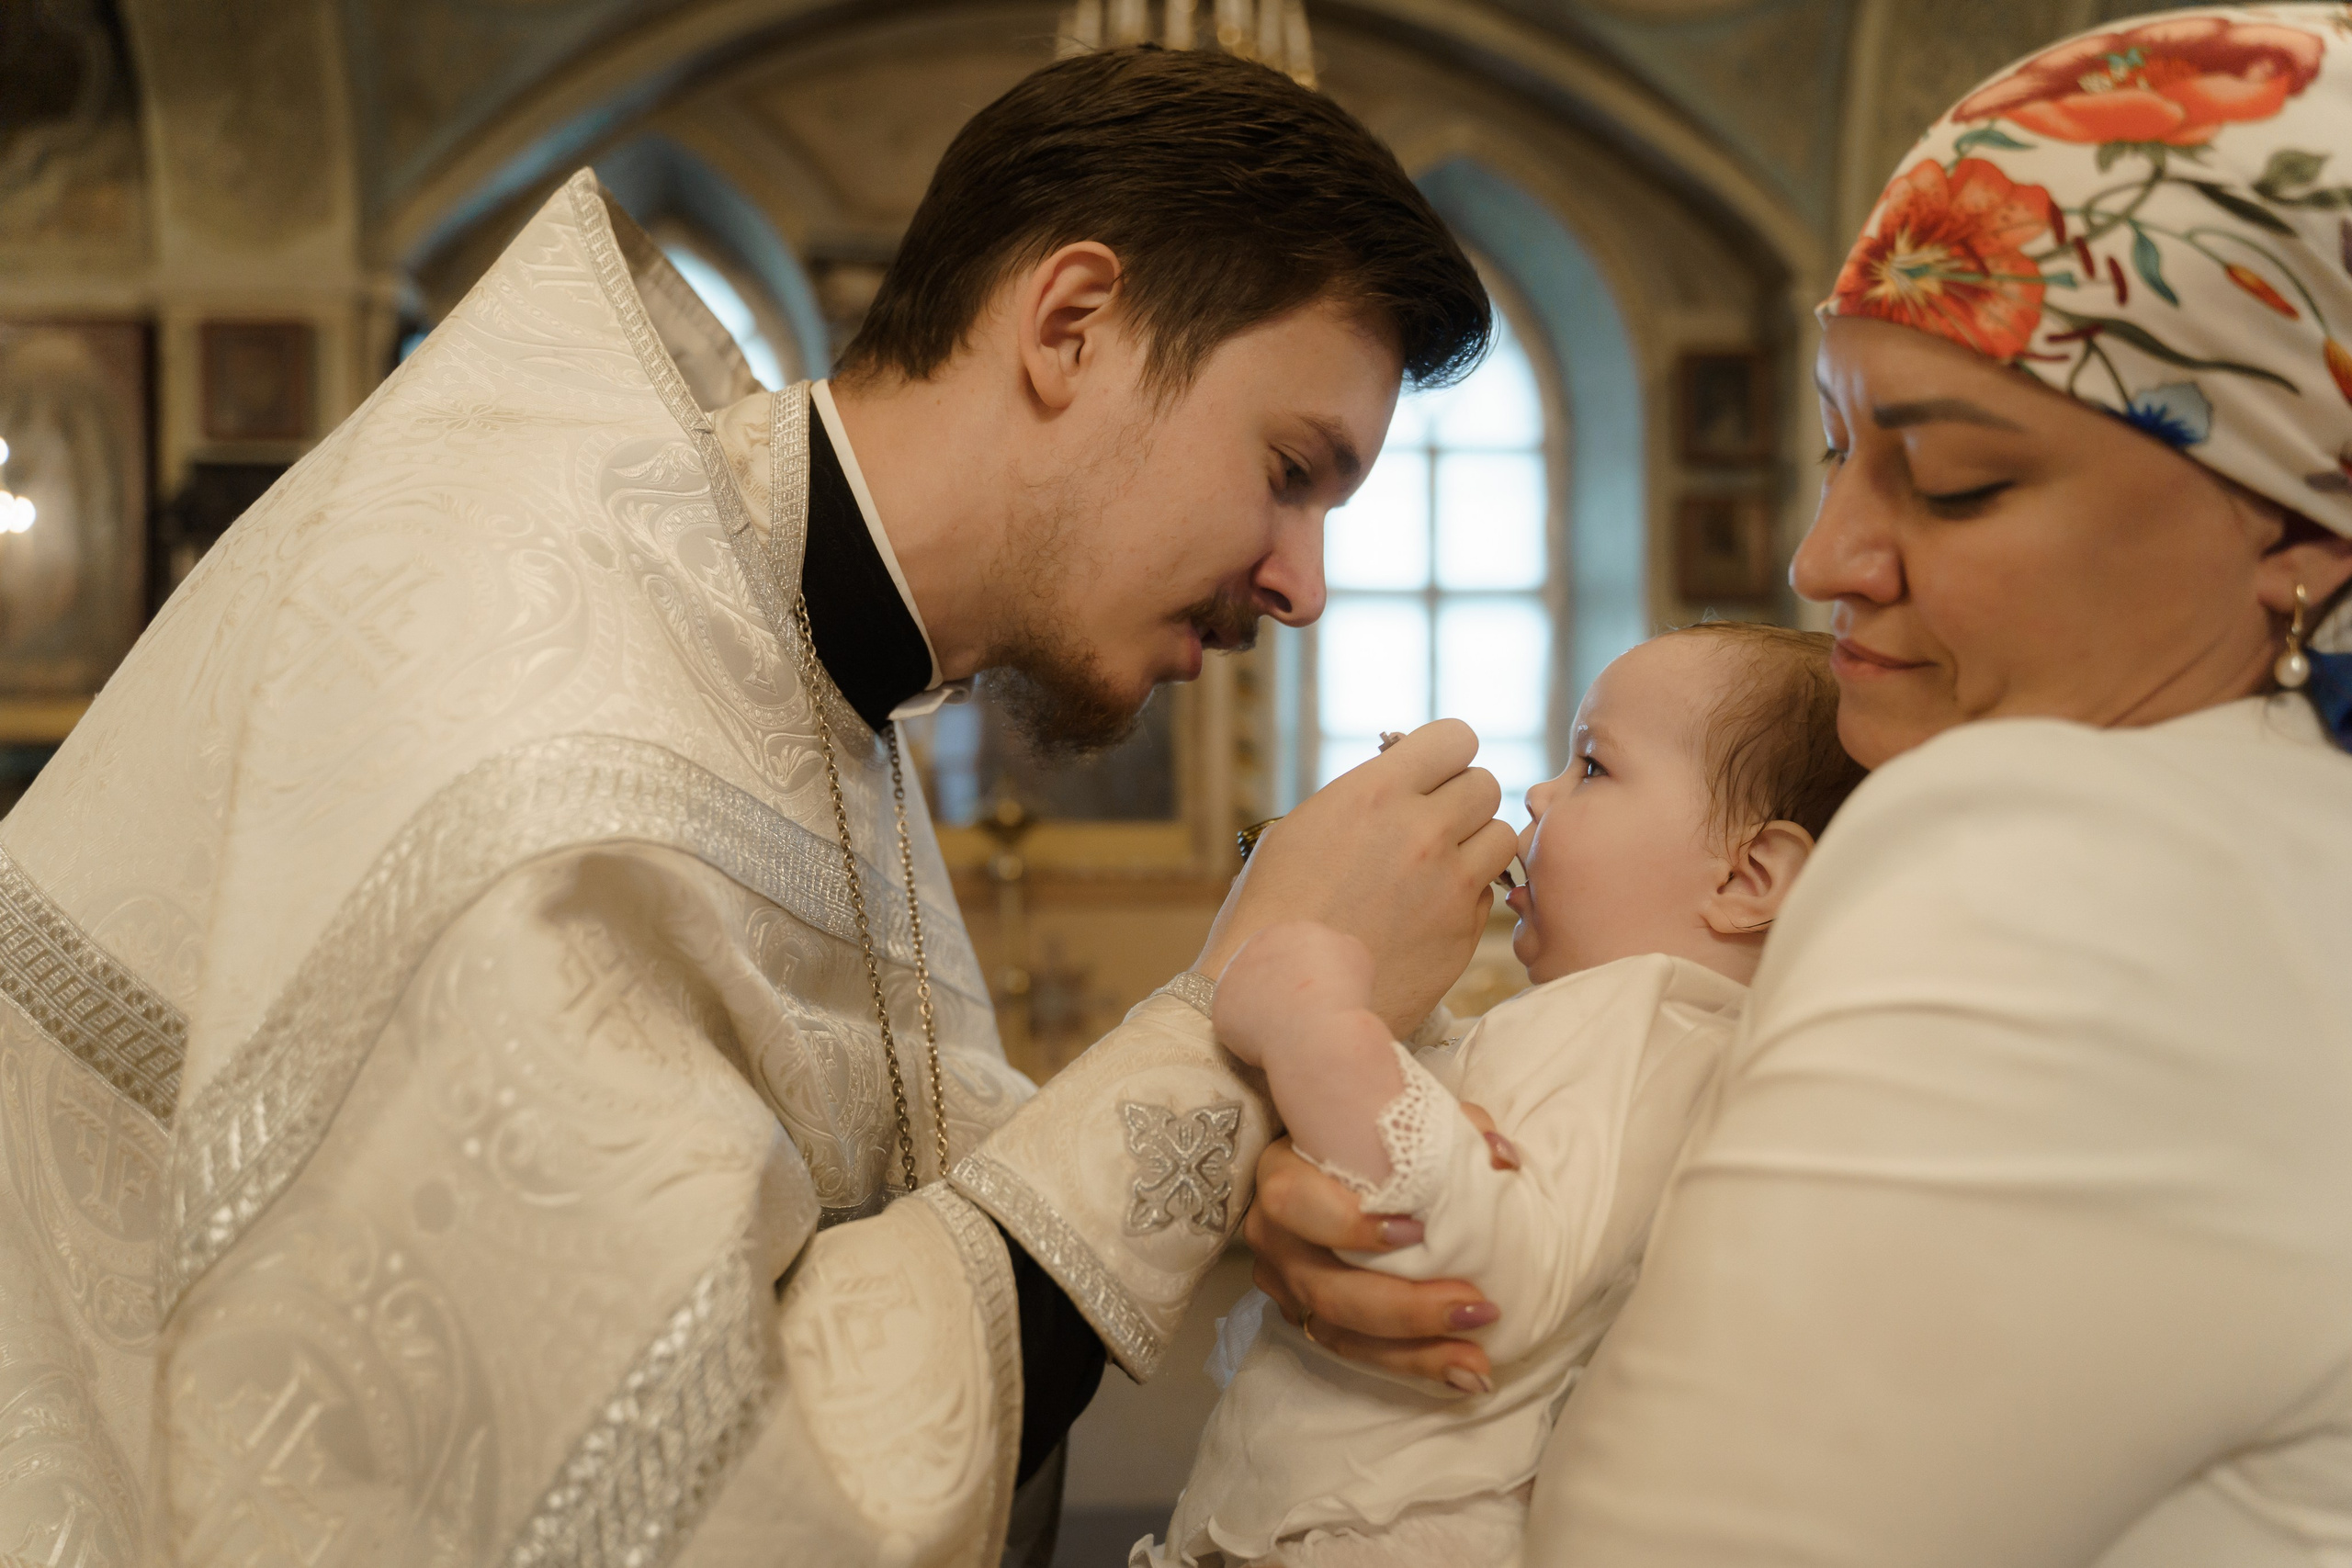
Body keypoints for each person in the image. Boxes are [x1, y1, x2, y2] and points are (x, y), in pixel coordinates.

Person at [0, 45, 1520, 1567]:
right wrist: (1237, 1014)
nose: (1303, 584)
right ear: (1071, 327)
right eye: (1291, 469)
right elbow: (660, 1488)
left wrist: (1251, 1142)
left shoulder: (784, 645)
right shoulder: (537, 667)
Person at [1239, 6, 2352, 1562]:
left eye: (1958, 481)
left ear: (2300, 529)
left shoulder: (2059, 857)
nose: (1822, 558)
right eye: (1839, 451)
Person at [1136, 626, 1862, 1568]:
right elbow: (1490, 1152)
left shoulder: (1647, 1022)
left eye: (1592, 767)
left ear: (1747, 877)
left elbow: (1491, 1276)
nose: (1539, 795)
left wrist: (1316, 1029)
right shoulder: (1650, 1033)